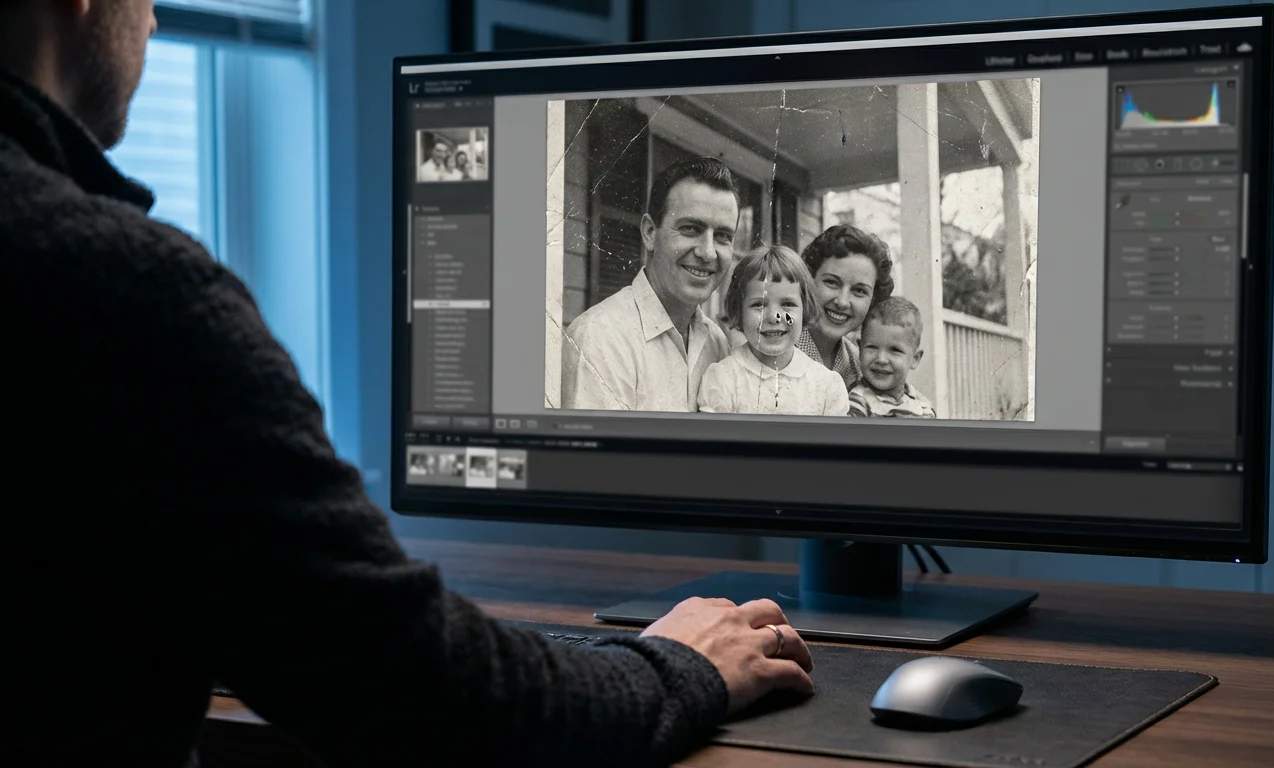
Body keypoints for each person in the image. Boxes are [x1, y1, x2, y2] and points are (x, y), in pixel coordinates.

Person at [0, 2, 813, 767]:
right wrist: (676, 667)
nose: (151, 16)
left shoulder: (729, 342)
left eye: (723, 236)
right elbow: (411, 686)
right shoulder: (122, 289)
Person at [561, 156, 737, 411]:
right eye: (690, 229)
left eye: (722, 236)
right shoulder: (600, 338)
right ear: (650, 233)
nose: (708, 252)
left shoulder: (717, 343)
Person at [698, 245, 848, 417]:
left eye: (787, 304)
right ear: (739, 311)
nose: (774, 317)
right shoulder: (723, 378)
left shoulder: (827, 386)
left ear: (804, 308)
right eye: (759, 305)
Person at [797, 223, 897, 390]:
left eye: (859, 290)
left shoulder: (861, 367)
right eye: (831, 282)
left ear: (872, 301)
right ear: (809, 279)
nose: (842, 302)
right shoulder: (774, 349)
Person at [848, 297, 938, 418]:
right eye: (872, 347)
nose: (881, 359)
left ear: (915, 359)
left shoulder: (922, 405)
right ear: (860, 349)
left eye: (895, 350)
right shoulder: (857, 402)